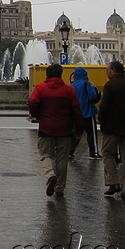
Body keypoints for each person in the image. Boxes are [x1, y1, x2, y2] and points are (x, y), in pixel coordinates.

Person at [28, 63, 83, 197]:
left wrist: (36, 114)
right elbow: (77, 111)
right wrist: (79, 130)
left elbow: (32, 101)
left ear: (47, 74)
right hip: (65, 129)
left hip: (46, 127)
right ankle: (60, 188)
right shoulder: (69, 90)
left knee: (45, 155)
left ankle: (50, 175)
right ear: (60, 74)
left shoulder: (41, 88)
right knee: (62, 159)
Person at [98, 60, 125, 199]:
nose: (106, 72)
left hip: (112, 127)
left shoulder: (110, 86)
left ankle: (113, 182)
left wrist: (101, 121)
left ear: (114, 71)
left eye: (107, 70)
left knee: (107, 154)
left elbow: (104, 107)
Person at [70, 67, 102, 159]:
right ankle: (94, 153)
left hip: (76, 114)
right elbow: (93, 96)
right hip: (88, 112)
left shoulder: (72, 85)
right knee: (91, 134)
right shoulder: (87, 84)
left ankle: (70, 151)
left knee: (76, 133)